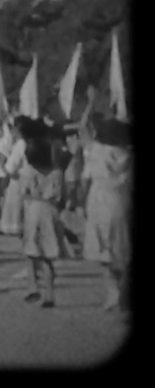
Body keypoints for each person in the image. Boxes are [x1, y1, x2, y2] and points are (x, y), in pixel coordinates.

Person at [81, 117, 130, 316]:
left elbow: (83, 128)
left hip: (97, 200)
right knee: (123, 251)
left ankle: (113, 294)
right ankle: (122, 294)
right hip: (120, 200)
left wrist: (90, 104)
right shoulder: (126, 155)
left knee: (104, 251)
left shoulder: (95, 150)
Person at [19, 126, 66, 308]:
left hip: (33, 210)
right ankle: (50, 294)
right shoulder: (57, 173)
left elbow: (24, 193)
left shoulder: (28, 172)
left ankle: (32, 287)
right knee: (49, 256)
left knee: (31, 253)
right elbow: (61, 197)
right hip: (51, 210)